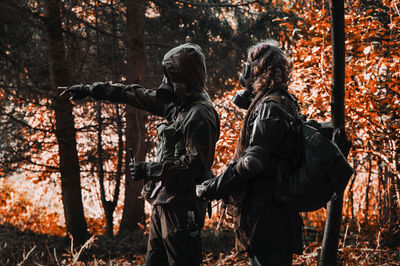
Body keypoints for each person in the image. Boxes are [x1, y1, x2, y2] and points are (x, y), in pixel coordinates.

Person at [60, 43, 220, 266]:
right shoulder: (178, 105)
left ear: (185, 78)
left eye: (171, 77)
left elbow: (196, 165)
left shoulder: (200, 114)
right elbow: (133, 94)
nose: (165, 84)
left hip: (183, 208)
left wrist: (150, 170)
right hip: (163, 202)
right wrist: (90, 90)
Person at [197, 40, 303, 266]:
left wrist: (215, 187)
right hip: (277, 207)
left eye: (248, 66)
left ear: (258, 70)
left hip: (266, 213)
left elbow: (252, 162)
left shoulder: (269, 107)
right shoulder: (284, 101)